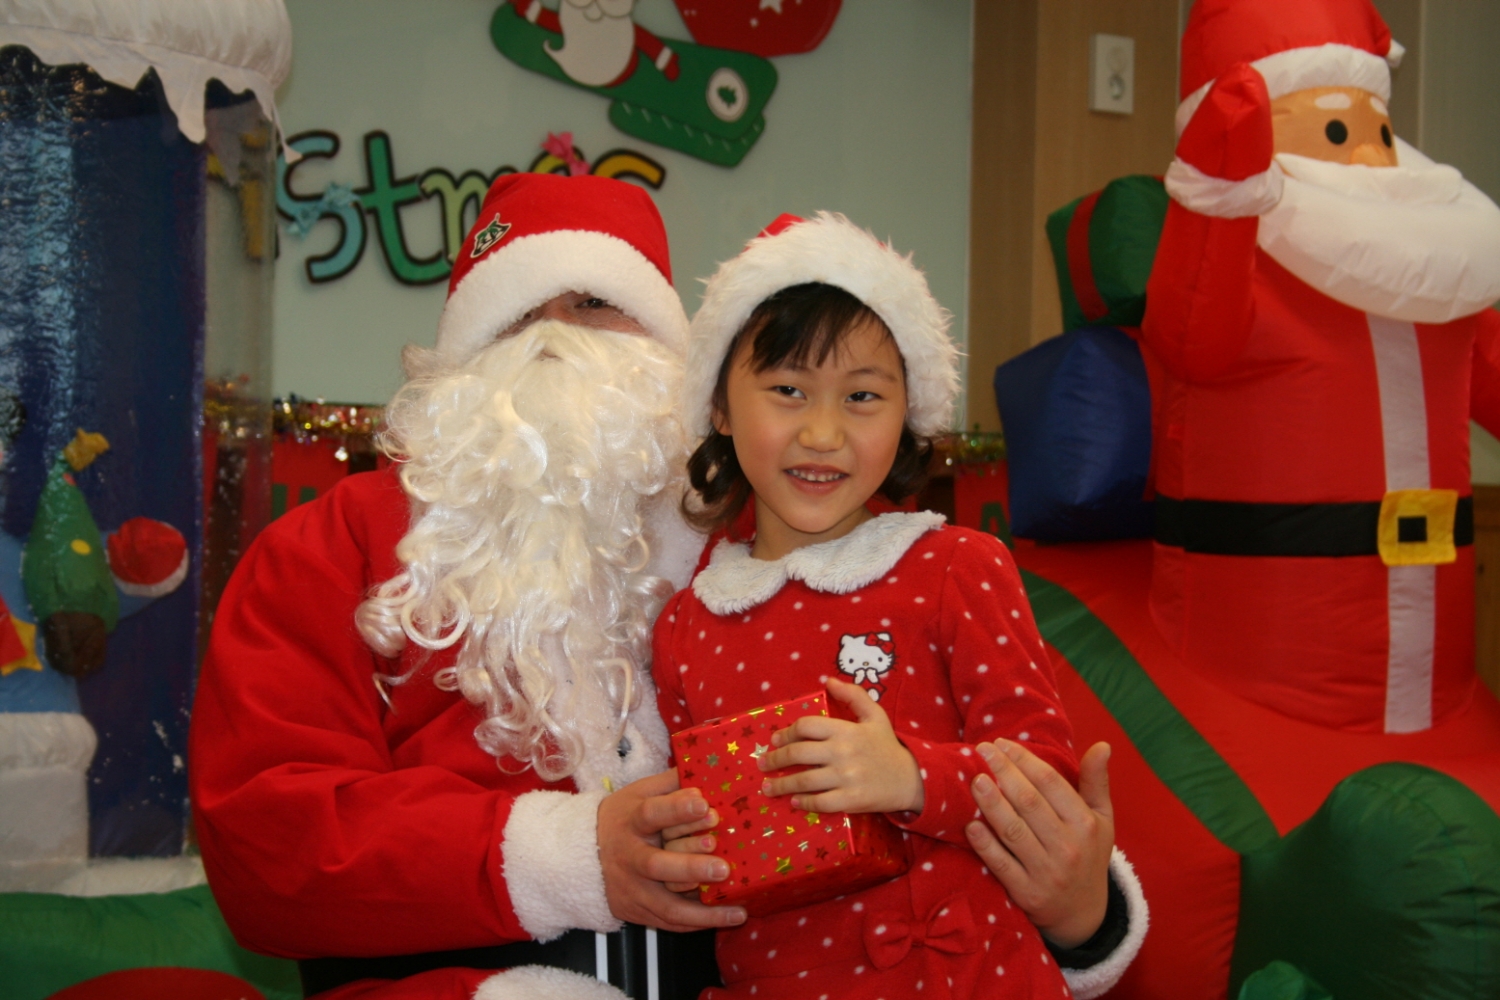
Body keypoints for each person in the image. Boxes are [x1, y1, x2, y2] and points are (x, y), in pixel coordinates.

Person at [189, 174, 1138, 1000]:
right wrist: (568, 858)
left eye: (596, 305)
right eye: (518, 315)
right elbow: (267, 841)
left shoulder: (794, 539)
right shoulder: (330, 549)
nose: (557, 339)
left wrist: (1083, 917)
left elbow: (1002, 763)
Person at [651, 212, 1147, 999]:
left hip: (975, 978)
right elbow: (692, 828)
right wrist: (684, 846)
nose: (823, 432)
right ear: (719, 405)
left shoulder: (954, 567)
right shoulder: (688, 626)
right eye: (787, 391)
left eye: (862, 396)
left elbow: (1045, 775)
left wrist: (913, 777)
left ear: (907, 408)